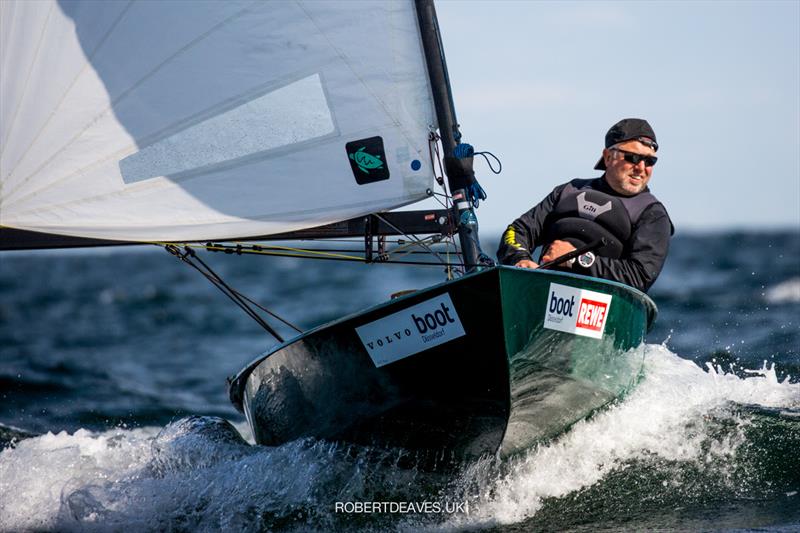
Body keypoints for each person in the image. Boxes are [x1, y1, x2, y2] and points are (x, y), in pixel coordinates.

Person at [497, 118, 673, 293]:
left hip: (603, 308)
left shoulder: (653, 215)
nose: (641, 168)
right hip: (543, 291)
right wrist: (519, 259)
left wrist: (578, 259)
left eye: (650, 161)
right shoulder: (569, 191)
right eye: (633, 158)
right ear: (608, 156)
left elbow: (639, 276)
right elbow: (517, 230)